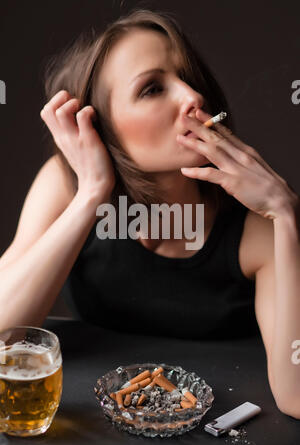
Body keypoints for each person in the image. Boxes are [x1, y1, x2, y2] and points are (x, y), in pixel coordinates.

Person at [0, 9, 299, 418]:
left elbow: (296, 396)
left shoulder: (254, 228)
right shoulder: (64, 186)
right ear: (102, 128)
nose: (193, 97)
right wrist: (91, 194)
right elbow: (3, 334)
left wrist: (286, 213)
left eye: (187, 77)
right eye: (153, 88)